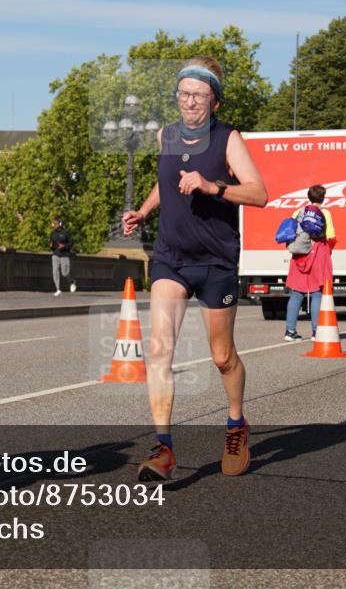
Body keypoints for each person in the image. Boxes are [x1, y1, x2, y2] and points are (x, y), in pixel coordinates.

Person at [122, 56, 267, 480]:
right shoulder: (166, 135)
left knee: (222, 357)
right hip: (171, 258)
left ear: (214, 101)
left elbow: (259, 193)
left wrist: (212, 186)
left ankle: (236, 424)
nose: (190, 102)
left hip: (216, 261)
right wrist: (145, 212)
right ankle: (163, 448)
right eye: (184, 94)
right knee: (159, 350)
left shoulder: (227, 139)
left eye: (199, 95)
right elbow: (166, 181)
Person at [284, 184, 337, 341]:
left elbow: (291, 233)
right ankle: (316, 332)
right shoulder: (325, 213)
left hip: (300, 255)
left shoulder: (297, 212)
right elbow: (331, 236)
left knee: (296, 293)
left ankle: (290, 331)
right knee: (317, 292)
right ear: (323, 197)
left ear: (308, 196)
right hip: (318, 253)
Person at [49, 216, 76, 296]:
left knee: (64, 273)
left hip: (64, 255)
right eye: (53, 224)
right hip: (55, 254)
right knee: (55, 271)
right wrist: (51, 246)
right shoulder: (53, 234)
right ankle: (58, 289)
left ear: (60, 224)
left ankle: (72, 281)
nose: (54, 225)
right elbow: (52, 244)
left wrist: (63, 246)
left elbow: (71, 243)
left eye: (55, 224)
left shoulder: (66, 233)